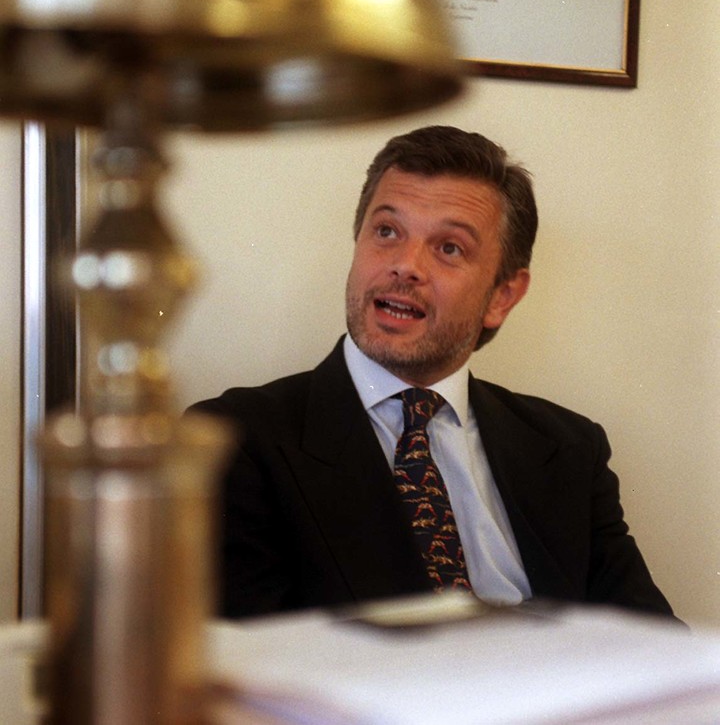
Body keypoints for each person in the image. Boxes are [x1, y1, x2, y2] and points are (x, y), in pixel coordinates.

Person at [191, 126, 676, 621]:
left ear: (502, 296)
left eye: (449, 248)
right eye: (387, 232)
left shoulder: (570, 448)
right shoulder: (230, 440)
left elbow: (655, 644)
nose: (405, 266)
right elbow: (253, 655)